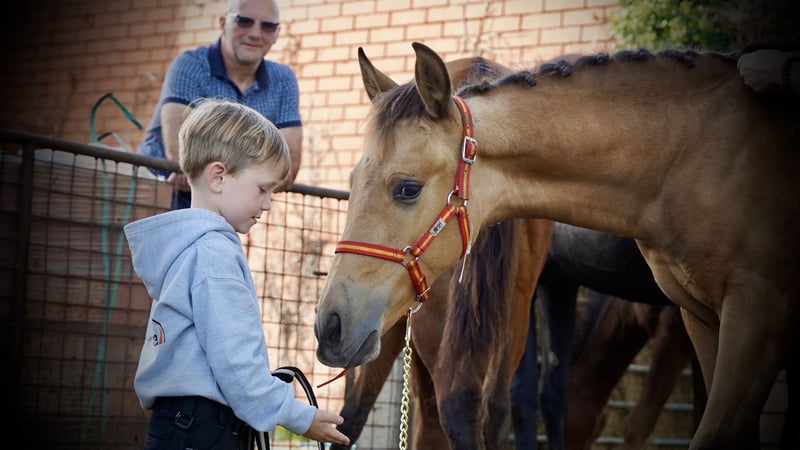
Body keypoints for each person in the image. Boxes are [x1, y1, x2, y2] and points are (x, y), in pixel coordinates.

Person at [124, 99, 350, 450]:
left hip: (178, 425)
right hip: (202, 430)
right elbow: (237, 364)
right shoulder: (214, 255)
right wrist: (298, 416)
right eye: (262, 189)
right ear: (218, 177)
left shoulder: (186, 247)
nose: (268, 204)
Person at [137, 0, 302, 210]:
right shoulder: (190, 66)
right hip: (156, 196)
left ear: (277, 33)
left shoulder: (283, 80)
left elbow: (286, 168)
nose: (255, 33)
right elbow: (179, 150)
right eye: (244, 21)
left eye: (268, 26)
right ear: (223, 23)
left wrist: (230, 179)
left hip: (225, 207)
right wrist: (246, 177)